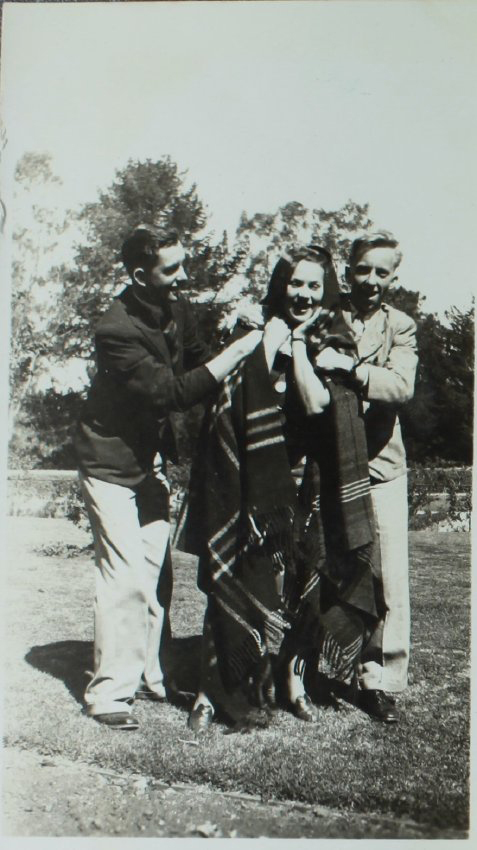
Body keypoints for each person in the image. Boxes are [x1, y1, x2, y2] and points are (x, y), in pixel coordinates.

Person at [181, 244, 383, 733]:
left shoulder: (334, 337)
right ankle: (211, 690)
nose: (304, 294)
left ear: (326, 289)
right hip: (250, 483)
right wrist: (267, 344)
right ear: (281, 285)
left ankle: (293, 683)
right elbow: (229, 400)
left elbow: (315, 404)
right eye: (296, 283)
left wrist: (297, 349)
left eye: (314, 285)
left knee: (305, 585)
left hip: (307, 482)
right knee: (232, 576)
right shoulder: (252, 327)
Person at [75, 226, 262, 730]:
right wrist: (241, 350)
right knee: (123, 576)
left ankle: (152, 677)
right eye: (171, 269)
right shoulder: (114, 330)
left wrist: (239, 333)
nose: (183, 276)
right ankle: (108, 693)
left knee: (155, 574)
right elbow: (172, 393)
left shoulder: (175, 309)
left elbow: (201, 361)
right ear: (140, 276)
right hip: (108, 466)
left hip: (148, 463)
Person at [315, 230, 418, 723]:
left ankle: (380, 679)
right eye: (362, 269)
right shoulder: (323, 315)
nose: (371, 280)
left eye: (382, 271)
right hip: (327, 466)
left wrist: (351, 370)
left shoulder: (401, 326)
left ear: (393, 277)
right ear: (347, 271)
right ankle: (310, 665)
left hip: (380, 468)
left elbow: (400, 386)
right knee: (325, 569)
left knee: (387, 578)